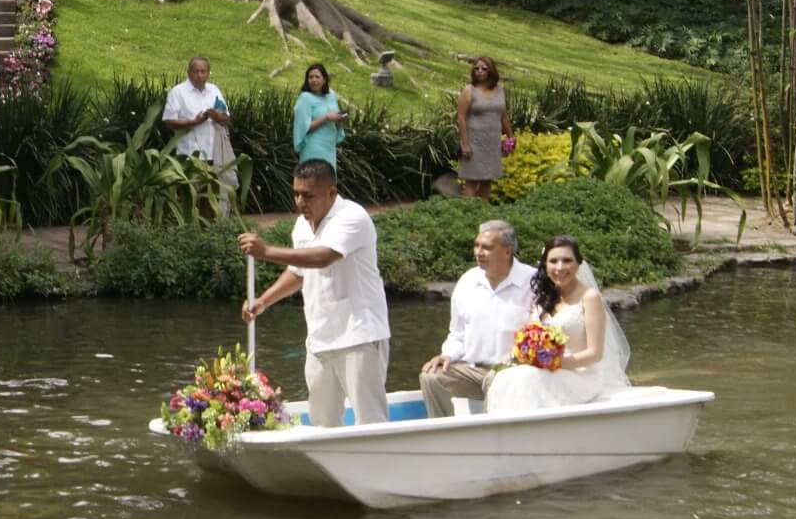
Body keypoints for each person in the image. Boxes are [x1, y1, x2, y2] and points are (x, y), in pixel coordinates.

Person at [238, 159, 391, 428]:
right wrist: (263, 301)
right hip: (319, 340)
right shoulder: (302, 225)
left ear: (331, 193)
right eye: (296, 194)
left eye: (308, 195)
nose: (300, 202)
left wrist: (266, 252)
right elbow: (299, 272)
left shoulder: (352, 217)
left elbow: (323, 257)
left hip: (359, 336)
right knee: (322, 423)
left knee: (370, 421)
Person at [485, 235, 631, 414]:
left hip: (580, 374)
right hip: (545, 369)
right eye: (553, 261)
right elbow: (528, 335)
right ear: (545, 265)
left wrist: (555, 362)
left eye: (567, 261)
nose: (560, 267)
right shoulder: (542, 298)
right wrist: (521, 354)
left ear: (578, 263)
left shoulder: (590, 297)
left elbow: (595, 354)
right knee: (505, 376)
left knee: (526, 377)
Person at [418, 218, 536, 419]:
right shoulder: (468, 280)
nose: (478, 252)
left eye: (487, 248)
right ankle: (444, 431)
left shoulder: (532, 281)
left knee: (497, 382)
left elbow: (541, 333)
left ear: (507, 251)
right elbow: (457, 333)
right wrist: (447, 355)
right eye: (477, 245)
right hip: (471, 370)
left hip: (513, 373)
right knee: (431, 377)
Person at [162, 55, 235, 213]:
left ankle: (212, 227)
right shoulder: (178, 92)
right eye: (196, 71)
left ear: (208, 73)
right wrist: (193, 122)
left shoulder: (214, 90)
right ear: (188, 72)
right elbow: (168, 121)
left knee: (212, 200)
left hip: (214, 156)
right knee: (191, 200)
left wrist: (215, 115)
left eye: (203, 71)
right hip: (190, 157)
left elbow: (226, 118)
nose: (199, 75)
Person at [456, 56, 513, 199]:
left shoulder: (500, 91)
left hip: (492, 143)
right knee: (471, 180)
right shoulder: (469, 90)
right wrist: (465, 144)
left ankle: (483, 210)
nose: (479, 71)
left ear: (491, 71)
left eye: (484, 68)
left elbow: (503, 115)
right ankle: (467, 210)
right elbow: (461, 117)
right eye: (476, 68)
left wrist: (511, 136)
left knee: (487, 180)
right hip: (474, 143)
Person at [292, 62, 347, 172]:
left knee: (329, 180)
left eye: (317, 77)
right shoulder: (305, 98)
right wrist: (325, 118)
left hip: (329, 148)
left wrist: (339, 119)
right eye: (310, 77)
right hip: (313, 148)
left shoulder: (331, 97)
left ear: (324, 79)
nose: (313, 80)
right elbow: (304, 128)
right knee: (314, 179)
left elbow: (335, 122)